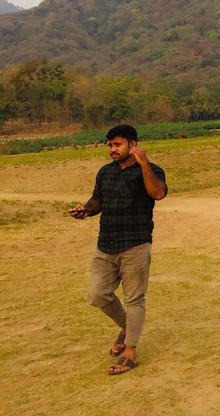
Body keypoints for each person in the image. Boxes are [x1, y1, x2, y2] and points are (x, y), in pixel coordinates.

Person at [69, 124, 167, 375]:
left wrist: (143, 163)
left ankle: (130, 353)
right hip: (106, 244)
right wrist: (86, 211)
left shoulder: (152, 170)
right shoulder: (105, 172)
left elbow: (157, 193)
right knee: (97, 294)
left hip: (135, 244)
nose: (112, 149)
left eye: (117, 145)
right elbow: (98, 200)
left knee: (135, 299)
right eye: (110, 145)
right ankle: (126, 326)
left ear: (132, 145)